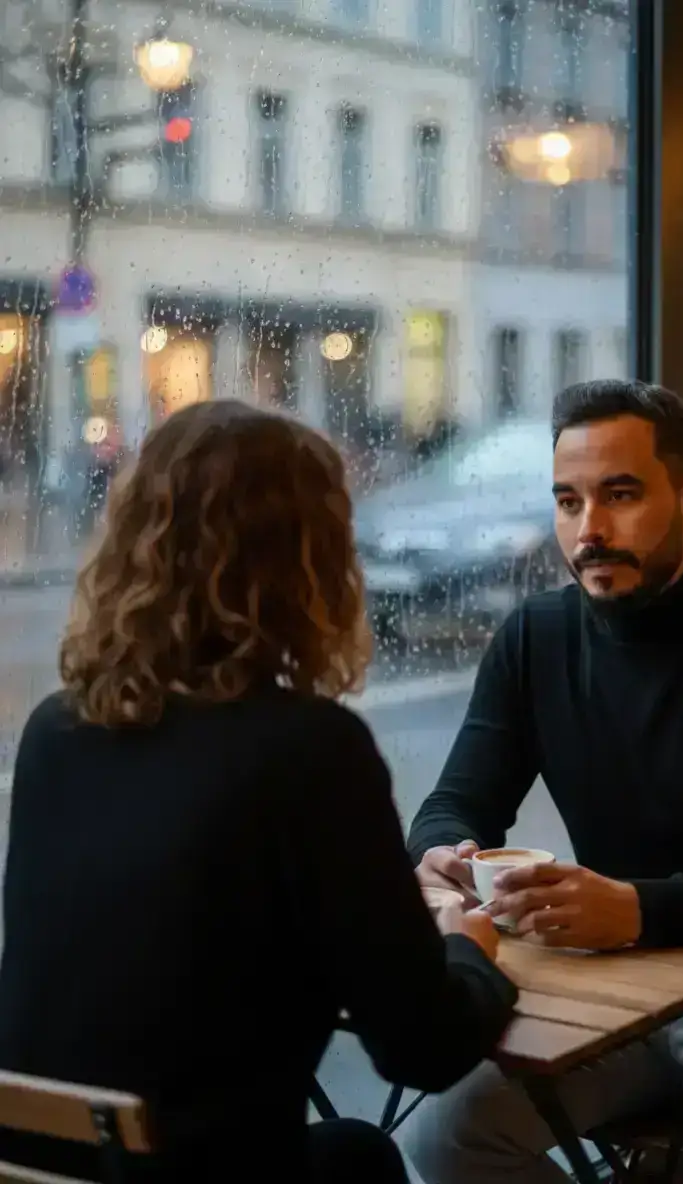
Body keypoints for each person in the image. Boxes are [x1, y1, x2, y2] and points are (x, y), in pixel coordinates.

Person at [0, 400, 517, 1182]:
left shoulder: (57, 732)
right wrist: (470, 954)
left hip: (40, 1164)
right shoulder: (312, 752)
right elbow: (425, 1046)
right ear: (309, 562)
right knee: (363, 1162)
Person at [404, 379, 683, 1184]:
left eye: (619, 496)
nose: (590, 530)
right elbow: (453, 805)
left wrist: (637, 909)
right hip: (616, 996)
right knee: (443, 1137)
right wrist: (444, 854)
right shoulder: (534, 640)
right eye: (568, 501)